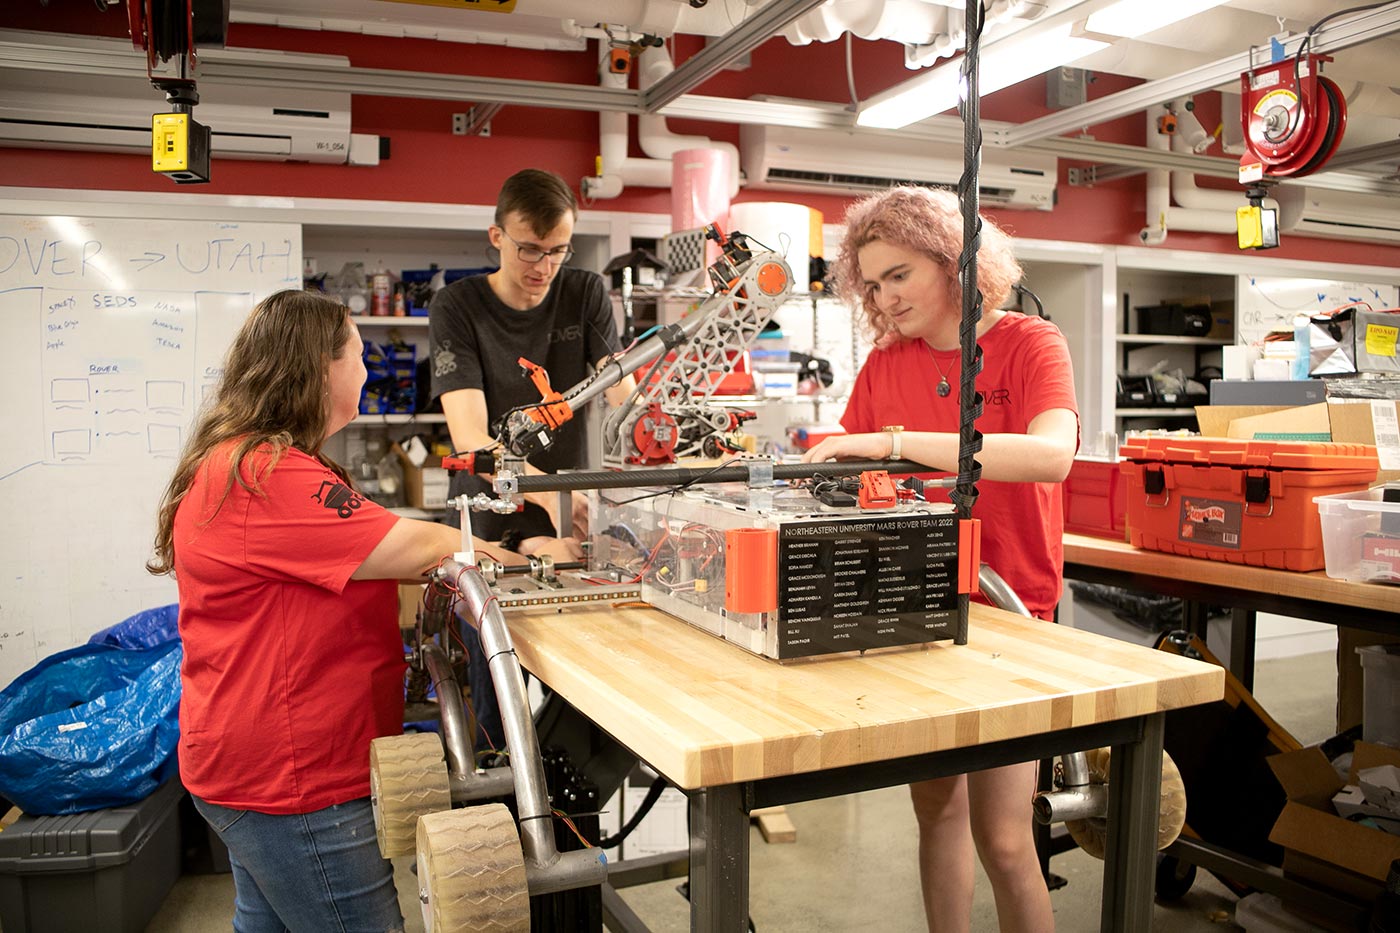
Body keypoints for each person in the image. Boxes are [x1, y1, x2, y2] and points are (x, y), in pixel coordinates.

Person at [146, 290, 557, 932]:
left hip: (251, 764)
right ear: (317, 368)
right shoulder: (266, 473)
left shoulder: (260, 461)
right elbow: (410, 545)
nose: (367, 371)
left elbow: (358, 570)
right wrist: (530, 555)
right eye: (358, 355)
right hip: (293, 779)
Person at [803, 186, 1077, 933]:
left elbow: (1052, 455)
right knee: (938, 810)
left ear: (956, 261)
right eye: (873, 283)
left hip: (1014, 612)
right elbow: (851, 479)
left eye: (900, 275)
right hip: (918, 609)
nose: (885, 299)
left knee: (1006, 837)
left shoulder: (1027, 344)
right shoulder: (885, 366)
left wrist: (894, 443)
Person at [429, 167, 633, 549]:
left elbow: (623, 395)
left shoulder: (584, 292)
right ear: (497, 237)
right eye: (529, 250)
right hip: (487, 512)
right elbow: (471, 438)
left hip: (566, 507)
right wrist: (552, 493)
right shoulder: (456, 306)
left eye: (557, 250)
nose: (544, 267)